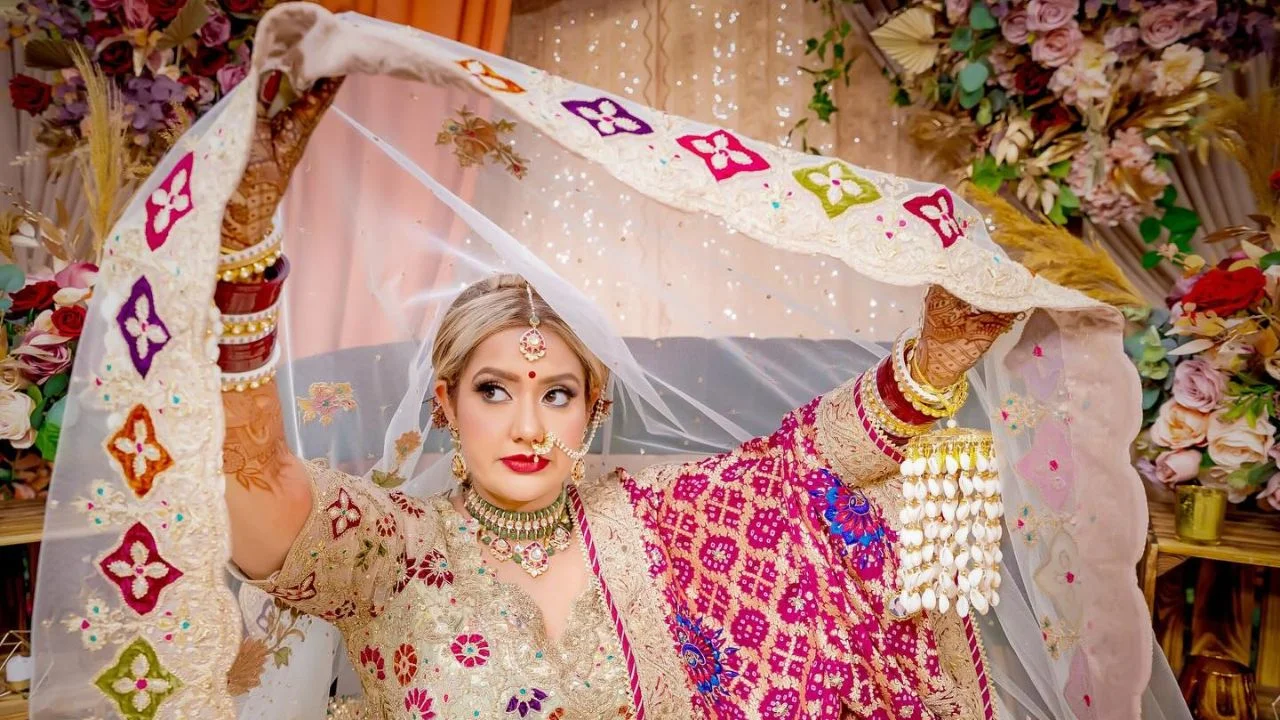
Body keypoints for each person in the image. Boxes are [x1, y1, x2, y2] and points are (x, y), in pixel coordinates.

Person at [30, 6, 1183, 719]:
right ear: (445, 404)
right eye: (495, 389)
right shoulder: (394, 548)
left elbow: (803, 466)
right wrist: (242, 252)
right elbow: (248, 485)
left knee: (926, 500)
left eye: (555, 392)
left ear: (593, 409)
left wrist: (935, 360)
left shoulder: (657, 511)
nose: (526, 421)